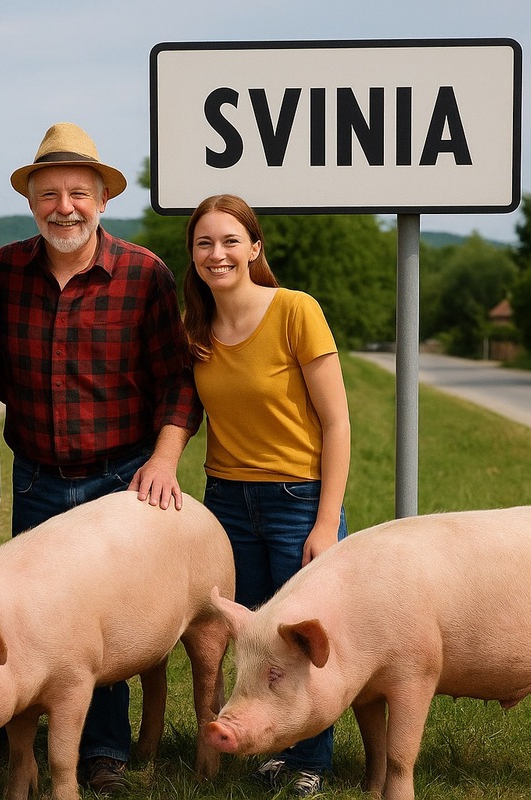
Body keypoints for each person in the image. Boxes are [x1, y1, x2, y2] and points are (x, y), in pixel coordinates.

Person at [0, 122, 202, 794]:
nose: (64, 207)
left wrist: (163, 460)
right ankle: (5, 727)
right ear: (32, 202)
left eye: (78, 193)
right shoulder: (5, 272)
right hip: (41, 479)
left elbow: (178, 382)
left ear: (102, 200)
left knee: (108, 622)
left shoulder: (144, 274)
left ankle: (102, 749)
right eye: (49, 194)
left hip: (120, 478)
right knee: (28, 616)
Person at [182, 194, 351, 797]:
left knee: (302, 637)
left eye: (230, 241)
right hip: (227, 501)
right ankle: (270, 742)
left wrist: (326, 519)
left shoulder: (295, 311)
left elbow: (337, 422)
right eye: (205, 243)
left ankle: (314, 759)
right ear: (193, 256)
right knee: (253, 642)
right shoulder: (196, 330)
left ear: (255, 248)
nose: (217, 253)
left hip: (296, 499)